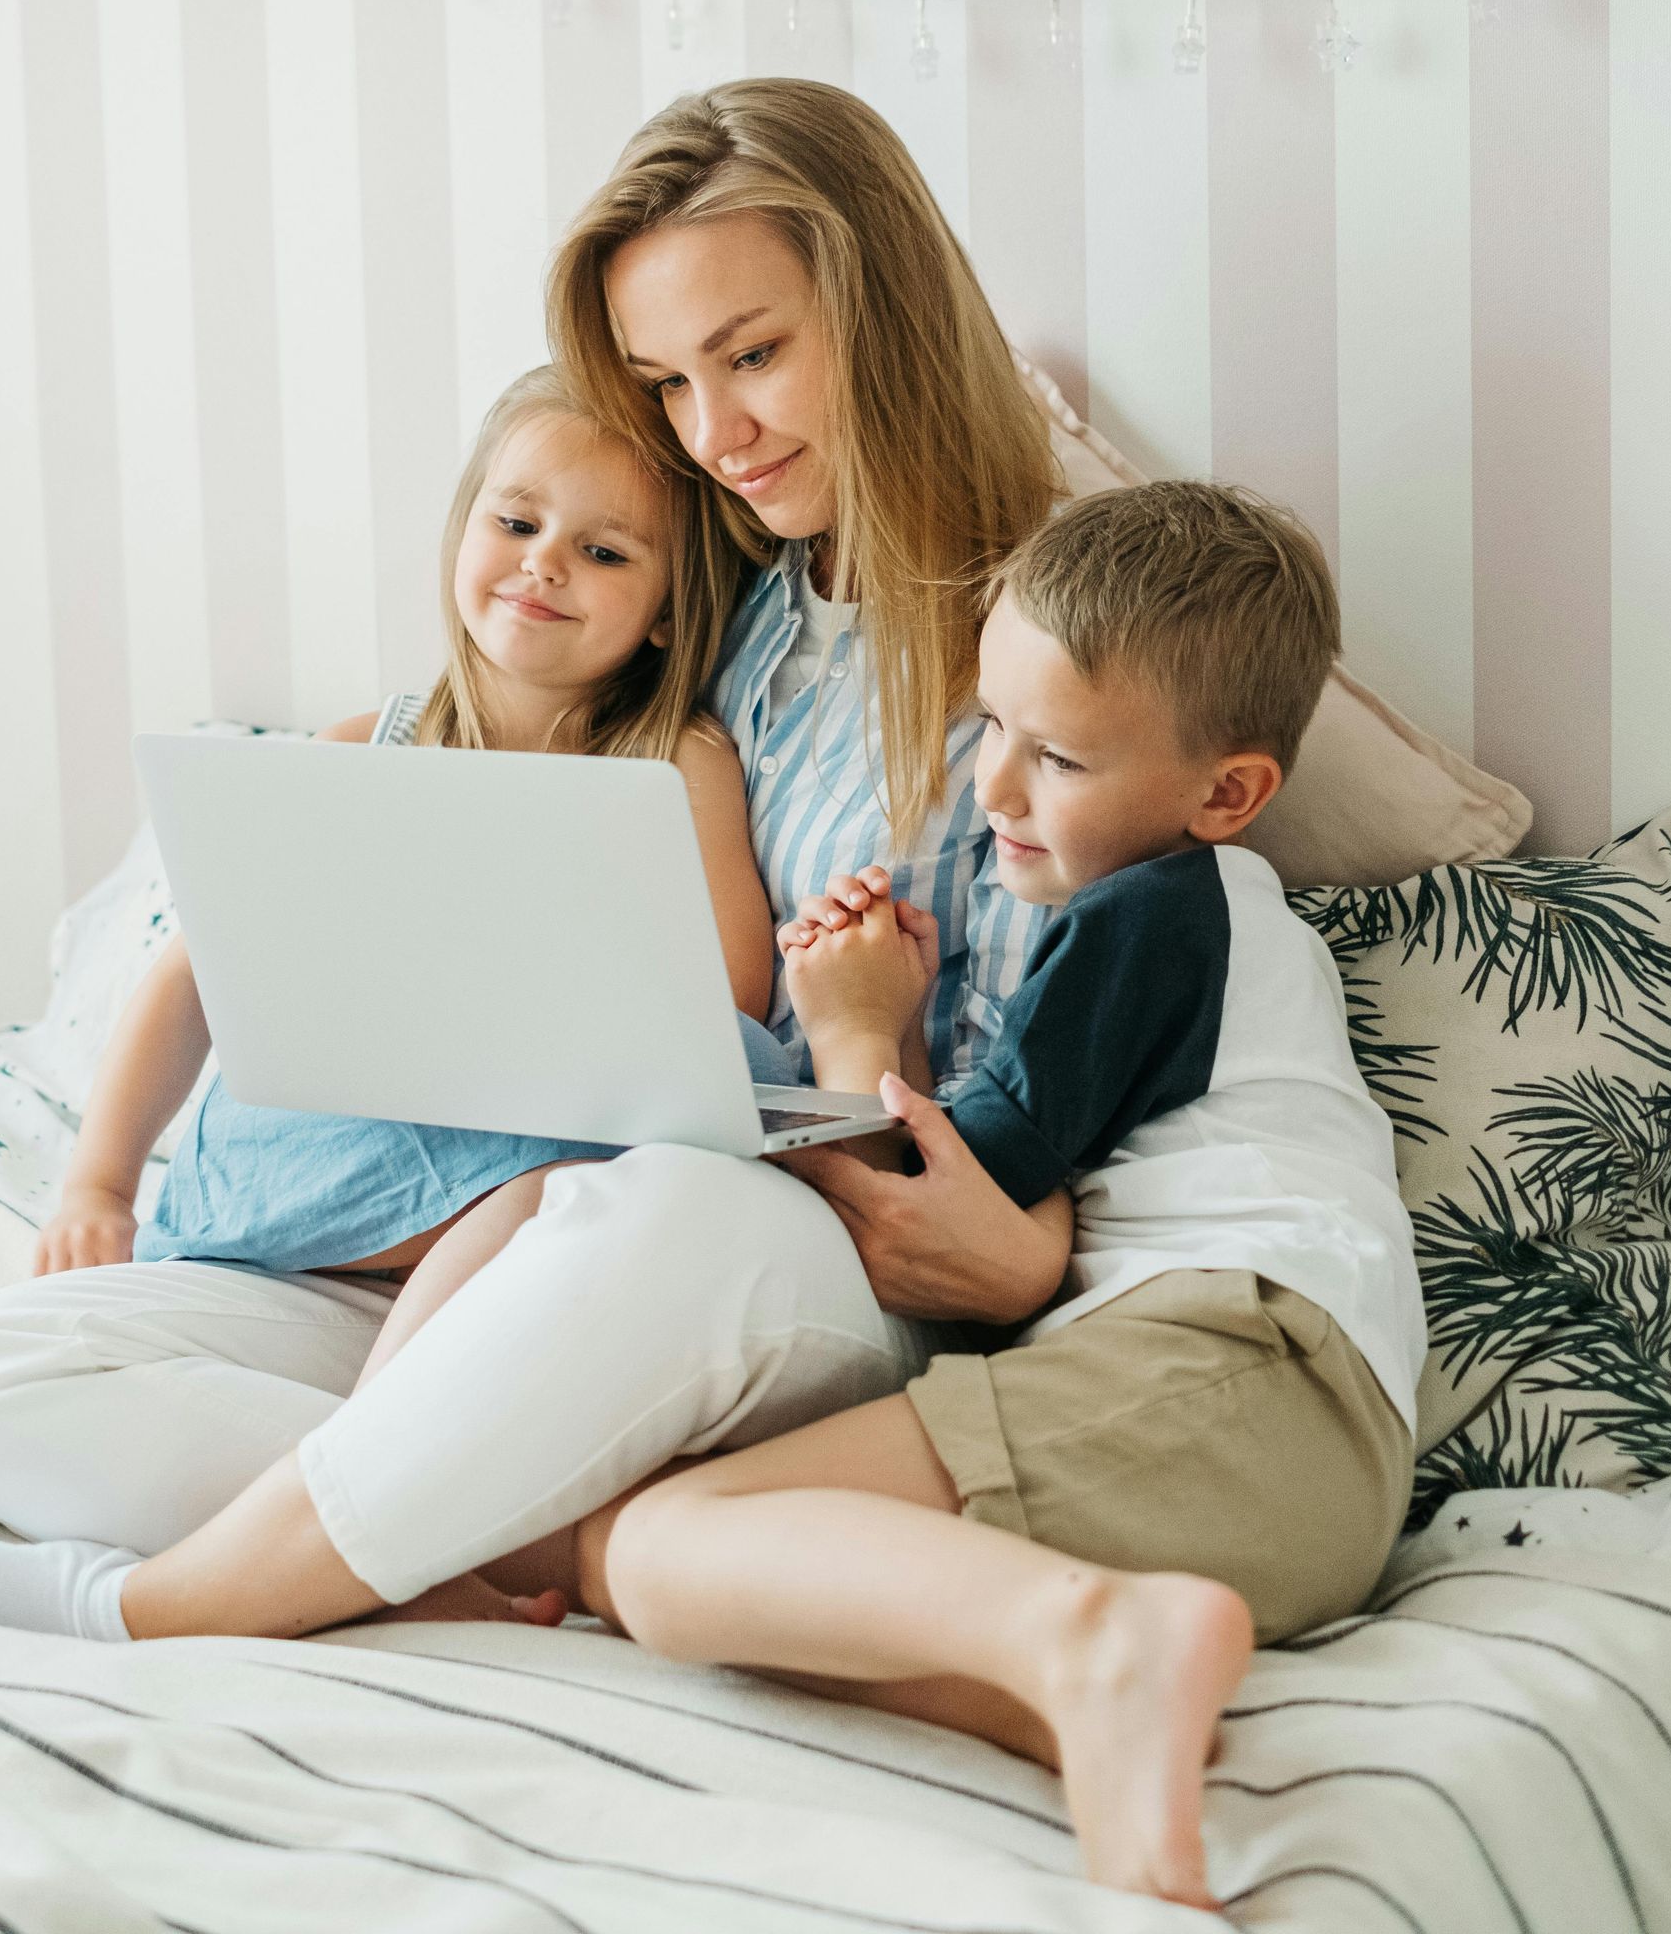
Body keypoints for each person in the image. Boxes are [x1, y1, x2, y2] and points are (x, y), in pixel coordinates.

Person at [0, 84, 1067, 1610]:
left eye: (750, 357)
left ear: (882, 312)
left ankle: (153, 1602)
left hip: (746, 1232)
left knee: (658, 1204)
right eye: (672, 383)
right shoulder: (757, 600)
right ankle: (490, 1518)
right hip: (470, 1284)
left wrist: (948, 1155)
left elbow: (980, 1041)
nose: (716, 436)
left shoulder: (1045, 643)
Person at [575, 480, 1427, 1910]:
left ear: (1225, 795)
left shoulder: (1168, 912)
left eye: (1062, 761)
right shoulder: (1174, 927)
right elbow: (981, 1197)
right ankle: (1100, 1704)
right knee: (717, 1583)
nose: (995, 793)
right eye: (995, 731)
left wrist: (854, 1027)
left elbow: (940, 1190)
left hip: (1246, 1373)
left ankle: (1100, 1650)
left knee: (656, 1546)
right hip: (1260, 1442)